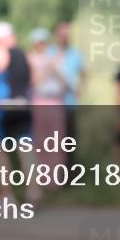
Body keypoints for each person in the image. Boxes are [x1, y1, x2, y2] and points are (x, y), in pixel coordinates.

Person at [0, 21, 39, 203]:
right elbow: (33, 81)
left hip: (4, 107)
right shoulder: (24, 55)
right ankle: (33, 190)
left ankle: (6, 194)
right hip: (24, 105)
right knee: (26, 147)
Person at [27, 27, 68, 178]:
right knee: (40, 141)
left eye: (44, 42)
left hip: (56, 102)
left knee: (56, 142)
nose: (42, 45)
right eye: (39, 43)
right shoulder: (30, 58)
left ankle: (56, 179)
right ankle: (41, 178)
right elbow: (33, 83)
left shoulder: (55, 58)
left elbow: (66, 83)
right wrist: (48, 69)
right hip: (39, 101)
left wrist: (55, 67)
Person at [53, 21, 85, 165]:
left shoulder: (75, 54)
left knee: (69, 140)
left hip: (69, 102)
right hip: (52, 104)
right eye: (62, 34)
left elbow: (84, 74)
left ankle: (70, 175)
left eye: (67, 34)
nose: (64, 37)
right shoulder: (50, 52)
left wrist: (80, 89)